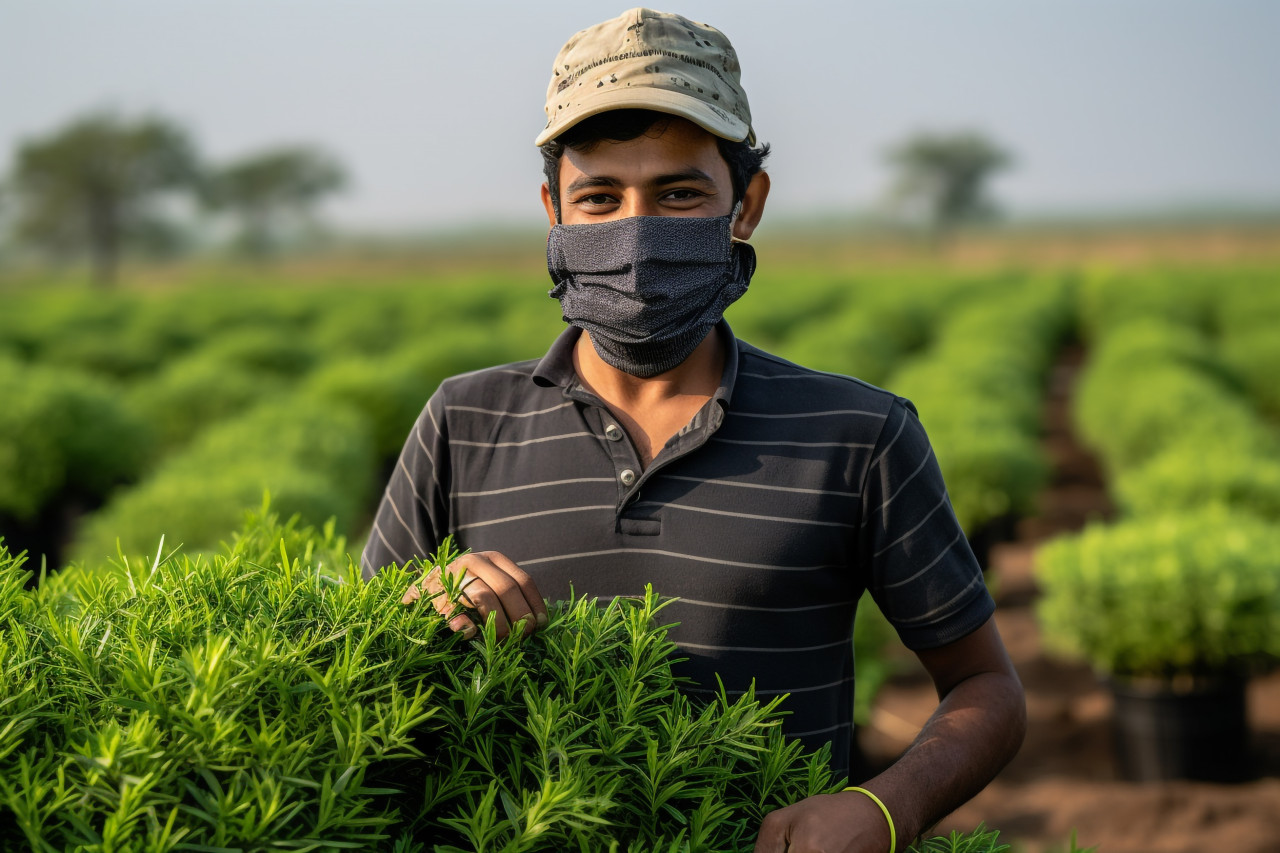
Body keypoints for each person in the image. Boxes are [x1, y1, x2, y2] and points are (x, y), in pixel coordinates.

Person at [361, 8, 1025, 852]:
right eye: (599, 197)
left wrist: (885, 806)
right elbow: (367, 669)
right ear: (552, 209)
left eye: (679, 193)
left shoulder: (859, 435)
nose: (636, 234)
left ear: (745, 204)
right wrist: (423, 607)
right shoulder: (464, 421)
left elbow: (985, 687)